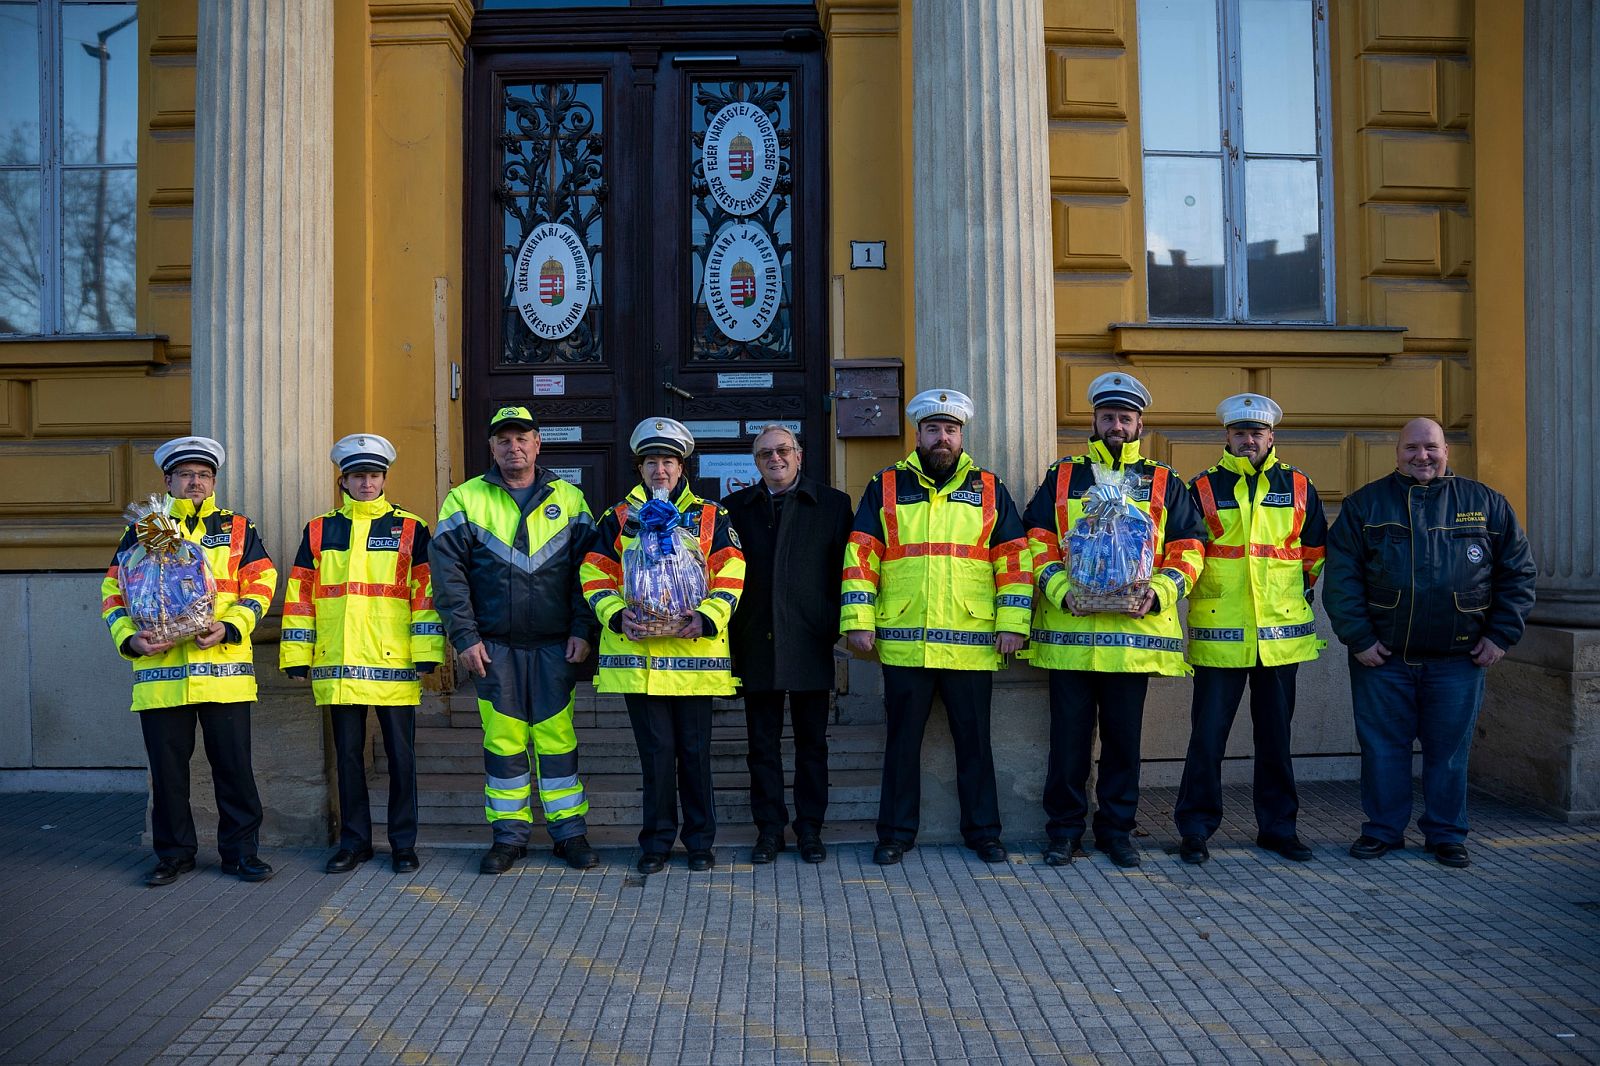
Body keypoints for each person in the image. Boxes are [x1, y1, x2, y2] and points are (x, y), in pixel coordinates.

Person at [1323, 417, 1535, 869]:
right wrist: (1358, 638)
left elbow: (1517, 575)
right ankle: (1382, 831)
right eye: (1412, 448)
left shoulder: (1486, 504)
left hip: (1458, 659)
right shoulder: (1365, 505)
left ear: (1446, 451)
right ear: (1397, 452)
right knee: (1382, 749)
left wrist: (1500, 635)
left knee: (1449, 752)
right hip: (1382, 658)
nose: (1423, 456)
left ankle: (1446, 834)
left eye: (1432, 447)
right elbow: (1341, 581)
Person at [841, 389, 1032, 867]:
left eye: (950, 430)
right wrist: (858, 622)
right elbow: (861, 558)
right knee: (901, 747)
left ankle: (984, 833)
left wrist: (1013, 624)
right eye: (933, 429)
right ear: (918, 434)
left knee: (975, 746)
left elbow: (1014, 560)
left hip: (972, 642)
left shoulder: (989, 487)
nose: (941, 438)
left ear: (961, 435)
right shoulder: (886, 485)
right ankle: (895, 835)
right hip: (905, 642)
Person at [1022, 372, 1205, 869]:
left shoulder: (1164, 480)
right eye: (1108, 417)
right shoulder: (1063, 476)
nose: (1116, 425)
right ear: (1095, 421)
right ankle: (1063, 833)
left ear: (1140, 423)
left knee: (1123, 745)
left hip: (1132, 638)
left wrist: (1159, 593)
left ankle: (1117, 832)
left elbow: (1189, 548)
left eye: (1125, 418)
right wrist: (1061, 592)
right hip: (1071, 636)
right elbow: (1036, 541)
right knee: (1068, 747)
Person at [100, 436, 277, 886]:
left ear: (213, 481)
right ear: (168, 480)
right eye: (186, 475)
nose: (195, 482)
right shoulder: (143, 529)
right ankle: (174, 855)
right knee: (168, 775)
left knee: (235, 769)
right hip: (160, 673)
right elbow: (112, 593)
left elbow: (260, 585)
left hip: (222, 670)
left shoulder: (238, 527)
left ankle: (241, 854)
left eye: (203, 475)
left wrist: (232, 626)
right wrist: (130, 639)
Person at [431, 406, 600, 874]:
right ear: (491, 447)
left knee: (557, 739)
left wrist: (583, 630)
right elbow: (449, 578)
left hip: (554, 645)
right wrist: (463, 637)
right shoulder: (464, 499)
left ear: (538, 443)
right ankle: (509, 837)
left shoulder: (570, 499)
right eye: (504, 439)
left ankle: (570, 834)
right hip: (493, 645)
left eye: (522, 438)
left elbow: (590, 573)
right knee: (503, 741)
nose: (514, 447)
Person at [580, 418, 746, 874]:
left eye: (668, 461)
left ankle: (699, 843)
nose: (660, 470)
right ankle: (655, 843)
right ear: (639, 467)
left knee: (694, 757)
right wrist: (616, 613)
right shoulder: (617, 517)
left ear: (681, 466)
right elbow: (594, 572)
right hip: (639, 661)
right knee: (654, 758)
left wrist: (706, 617)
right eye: (652, 461)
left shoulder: (711, 516)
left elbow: (731, 572)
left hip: (694, 659)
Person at [280, 434, 445, 875]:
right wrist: (297, 653)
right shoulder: (318, 529)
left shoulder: (410, 528)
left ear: (384, 478)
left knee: (401, 760)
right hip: (338, 661)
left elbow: (425, 593)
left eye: (373, 475)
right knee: (348, 760)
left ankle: (403, 843)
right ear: (344, 481)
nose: (366, 483)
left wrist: (428, 648)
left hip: (394, 661)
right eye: (357, 476)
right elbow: (300, 595)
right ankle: (354, 843)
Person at [1173, 394, 1327, 864]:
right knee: (1206, 740)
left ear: (1271, 437)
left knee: (1276, 741)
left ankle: (1279, 829)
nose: (1248, 440)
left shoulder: (1299, 485)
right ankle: (1195, 829)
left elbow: (1313, 553)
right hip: (1221, 634)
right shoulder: (1200, 487)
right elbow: (1189, 548)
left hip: (1280, 639)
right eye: (1239, 433)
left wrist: (1289, 596)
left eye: (1256, 433)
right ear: (1227, 436)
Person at [725, 425, 853, 864]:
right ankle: (769, 830)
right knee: (761, 745)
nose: (774, 459)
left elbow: (847, 573)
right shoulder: (733, 509)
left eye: (783, 451)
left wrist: (831, 625)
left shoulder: (834, 505)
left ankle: (810, 829)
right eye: (764, 454)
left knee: (811, 744)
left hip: (810, 640)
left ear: (800, 455)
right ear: (755, 462)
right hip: (755, 641)